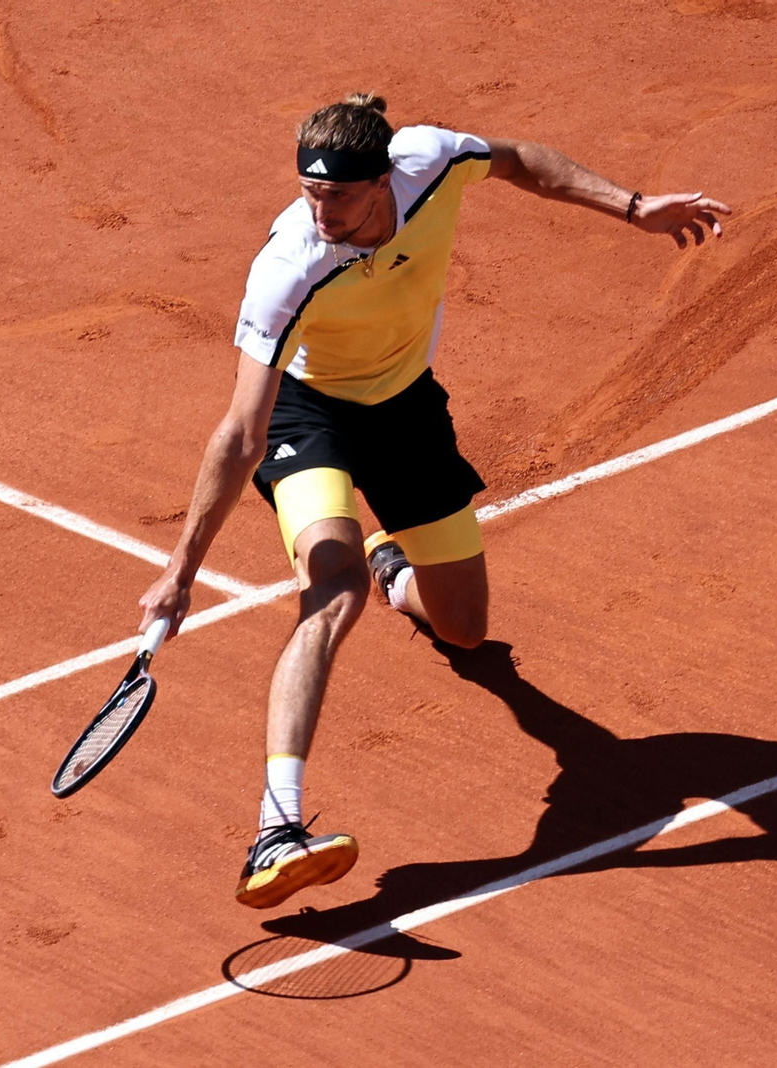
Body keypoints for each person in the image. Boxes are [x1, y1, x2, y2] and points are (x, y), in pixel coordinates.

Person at [137, 92, 731, 910]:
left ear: (385, 178)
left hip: (406, 410)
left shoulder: (434, 160)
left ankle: (393, 569)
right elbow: (240, 432)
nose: (321, 210)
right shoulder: (288, 265)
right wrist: (181, 571)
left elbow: (522, 160)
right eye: (310, 192)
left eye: (338, 194)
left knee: (464, 628)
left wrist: (632, 208)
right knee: (329, 587)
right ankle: (277, 827)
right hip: (305, 416)